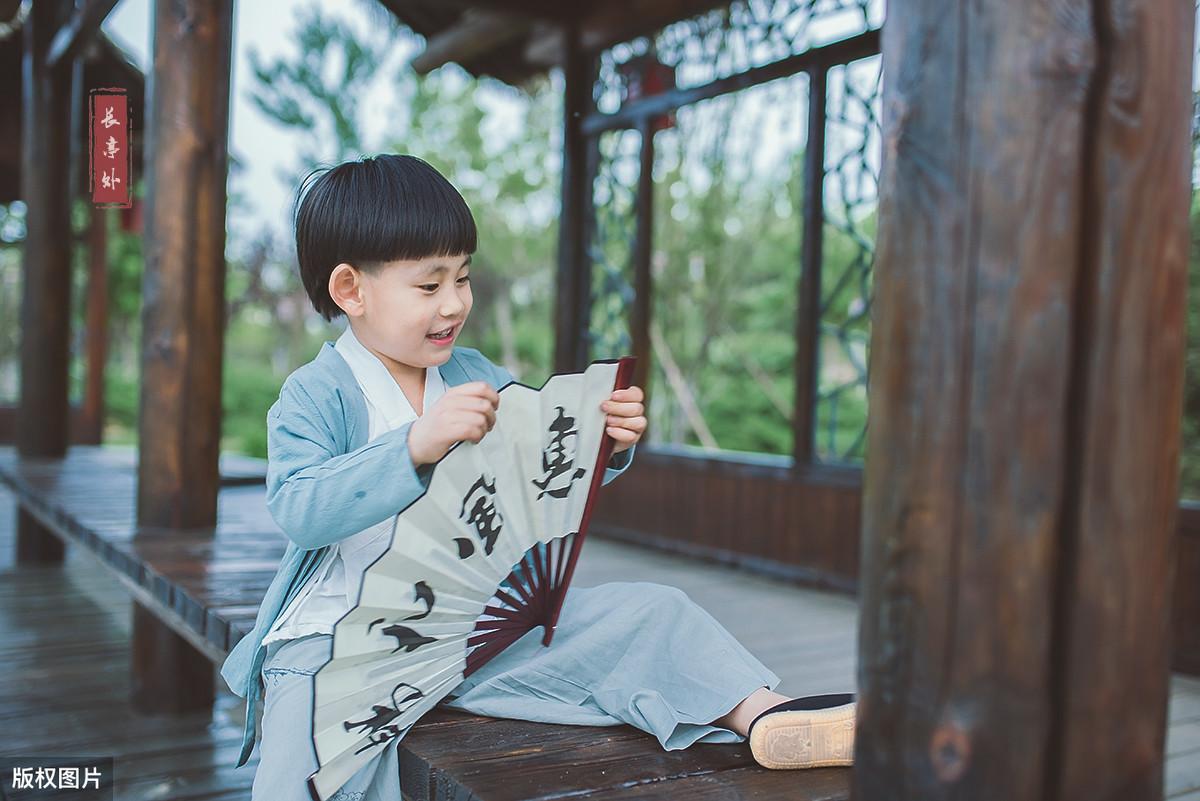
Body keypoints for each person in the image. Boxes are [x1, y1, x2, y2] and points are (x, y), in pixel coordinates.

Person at [218, 154, 857, 801]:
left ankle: (766, 714)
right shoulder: (316, 393)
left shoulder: (474, 374)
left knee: (651, 610)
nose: (454, 303)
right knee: (313, 765)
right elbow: (299, 506)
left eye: (462, 278)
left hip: (468, 632)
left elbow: (535, 472)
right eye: (429, 284)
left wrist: (600, 441)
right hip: (339, 641)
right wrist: (414, 443)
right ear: (352, 290)